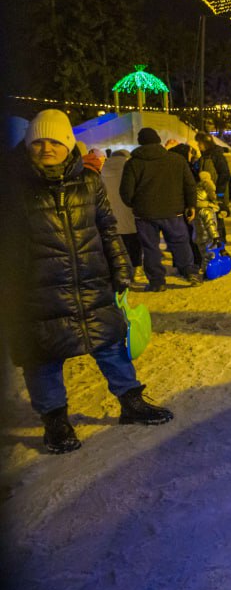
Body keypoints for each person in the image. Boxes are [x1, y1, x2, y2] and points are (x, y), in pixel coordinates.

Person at [12, 110, 173, 454]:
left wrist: (121, 268)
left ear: (68, 144)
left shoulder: (88, 181)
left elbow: (107, 227)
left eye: (54, 141)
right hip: (38, 290)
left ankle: (131, 401)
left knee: (110, 343)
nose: (45, 148)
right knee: (42, 357)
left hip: (91, 279)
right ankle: (55, 421)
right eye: (38, 142)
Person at [120, 127, 199, 292]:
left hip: (145, 214)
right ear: (158, 140)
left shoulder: (133, 163)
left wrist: (136, 205)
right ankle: (189, 272)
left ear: (140, 142)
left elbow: (126, 192)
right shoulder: (176, 160)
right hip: (174, 211)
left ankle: (157, 281)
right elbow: (190, 185)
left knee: (150, 248)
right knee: (180, 242)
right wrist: (191, 205)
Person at [99, 149, 141, 271]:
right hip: (129, 211)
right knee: (133, 241)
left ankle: (119, 268)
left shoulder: (103, 170)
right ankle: (136, 266)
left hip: (110, 214)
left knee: (116, 244)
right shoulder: (130, 168)